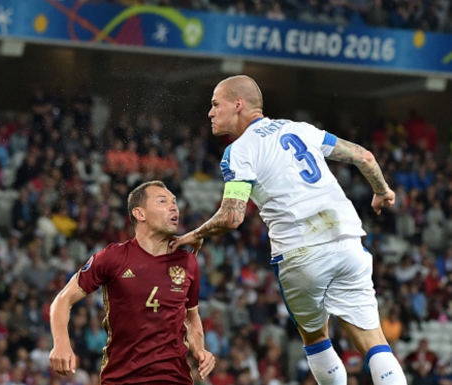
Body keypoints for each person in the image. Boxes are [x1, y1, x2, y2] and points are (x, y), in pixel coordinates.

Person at [170, 75, 406, 385]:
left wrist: (197, 233)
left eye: (215, 104)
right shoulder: (300, 129)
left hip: (301, 253)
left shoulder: (239, 151)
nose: (210, 112)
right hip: (348, 241)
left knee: (316, 339)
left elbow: (232, 217)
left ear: (238, 104)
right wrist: (382, 190)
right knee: (375, 343)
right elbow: (364, 156)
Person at [49, 180, 216, 384]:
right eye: (162, 201)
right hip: (123, 378)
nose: (174, 207)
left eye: (174, 202)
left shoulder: (188, 262)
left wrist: (199, 349)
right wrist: (61, 344)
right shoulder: (113, 257)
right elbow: (63, 300)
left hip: (174, 378)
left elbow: (191, 316)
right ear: (140, 214)